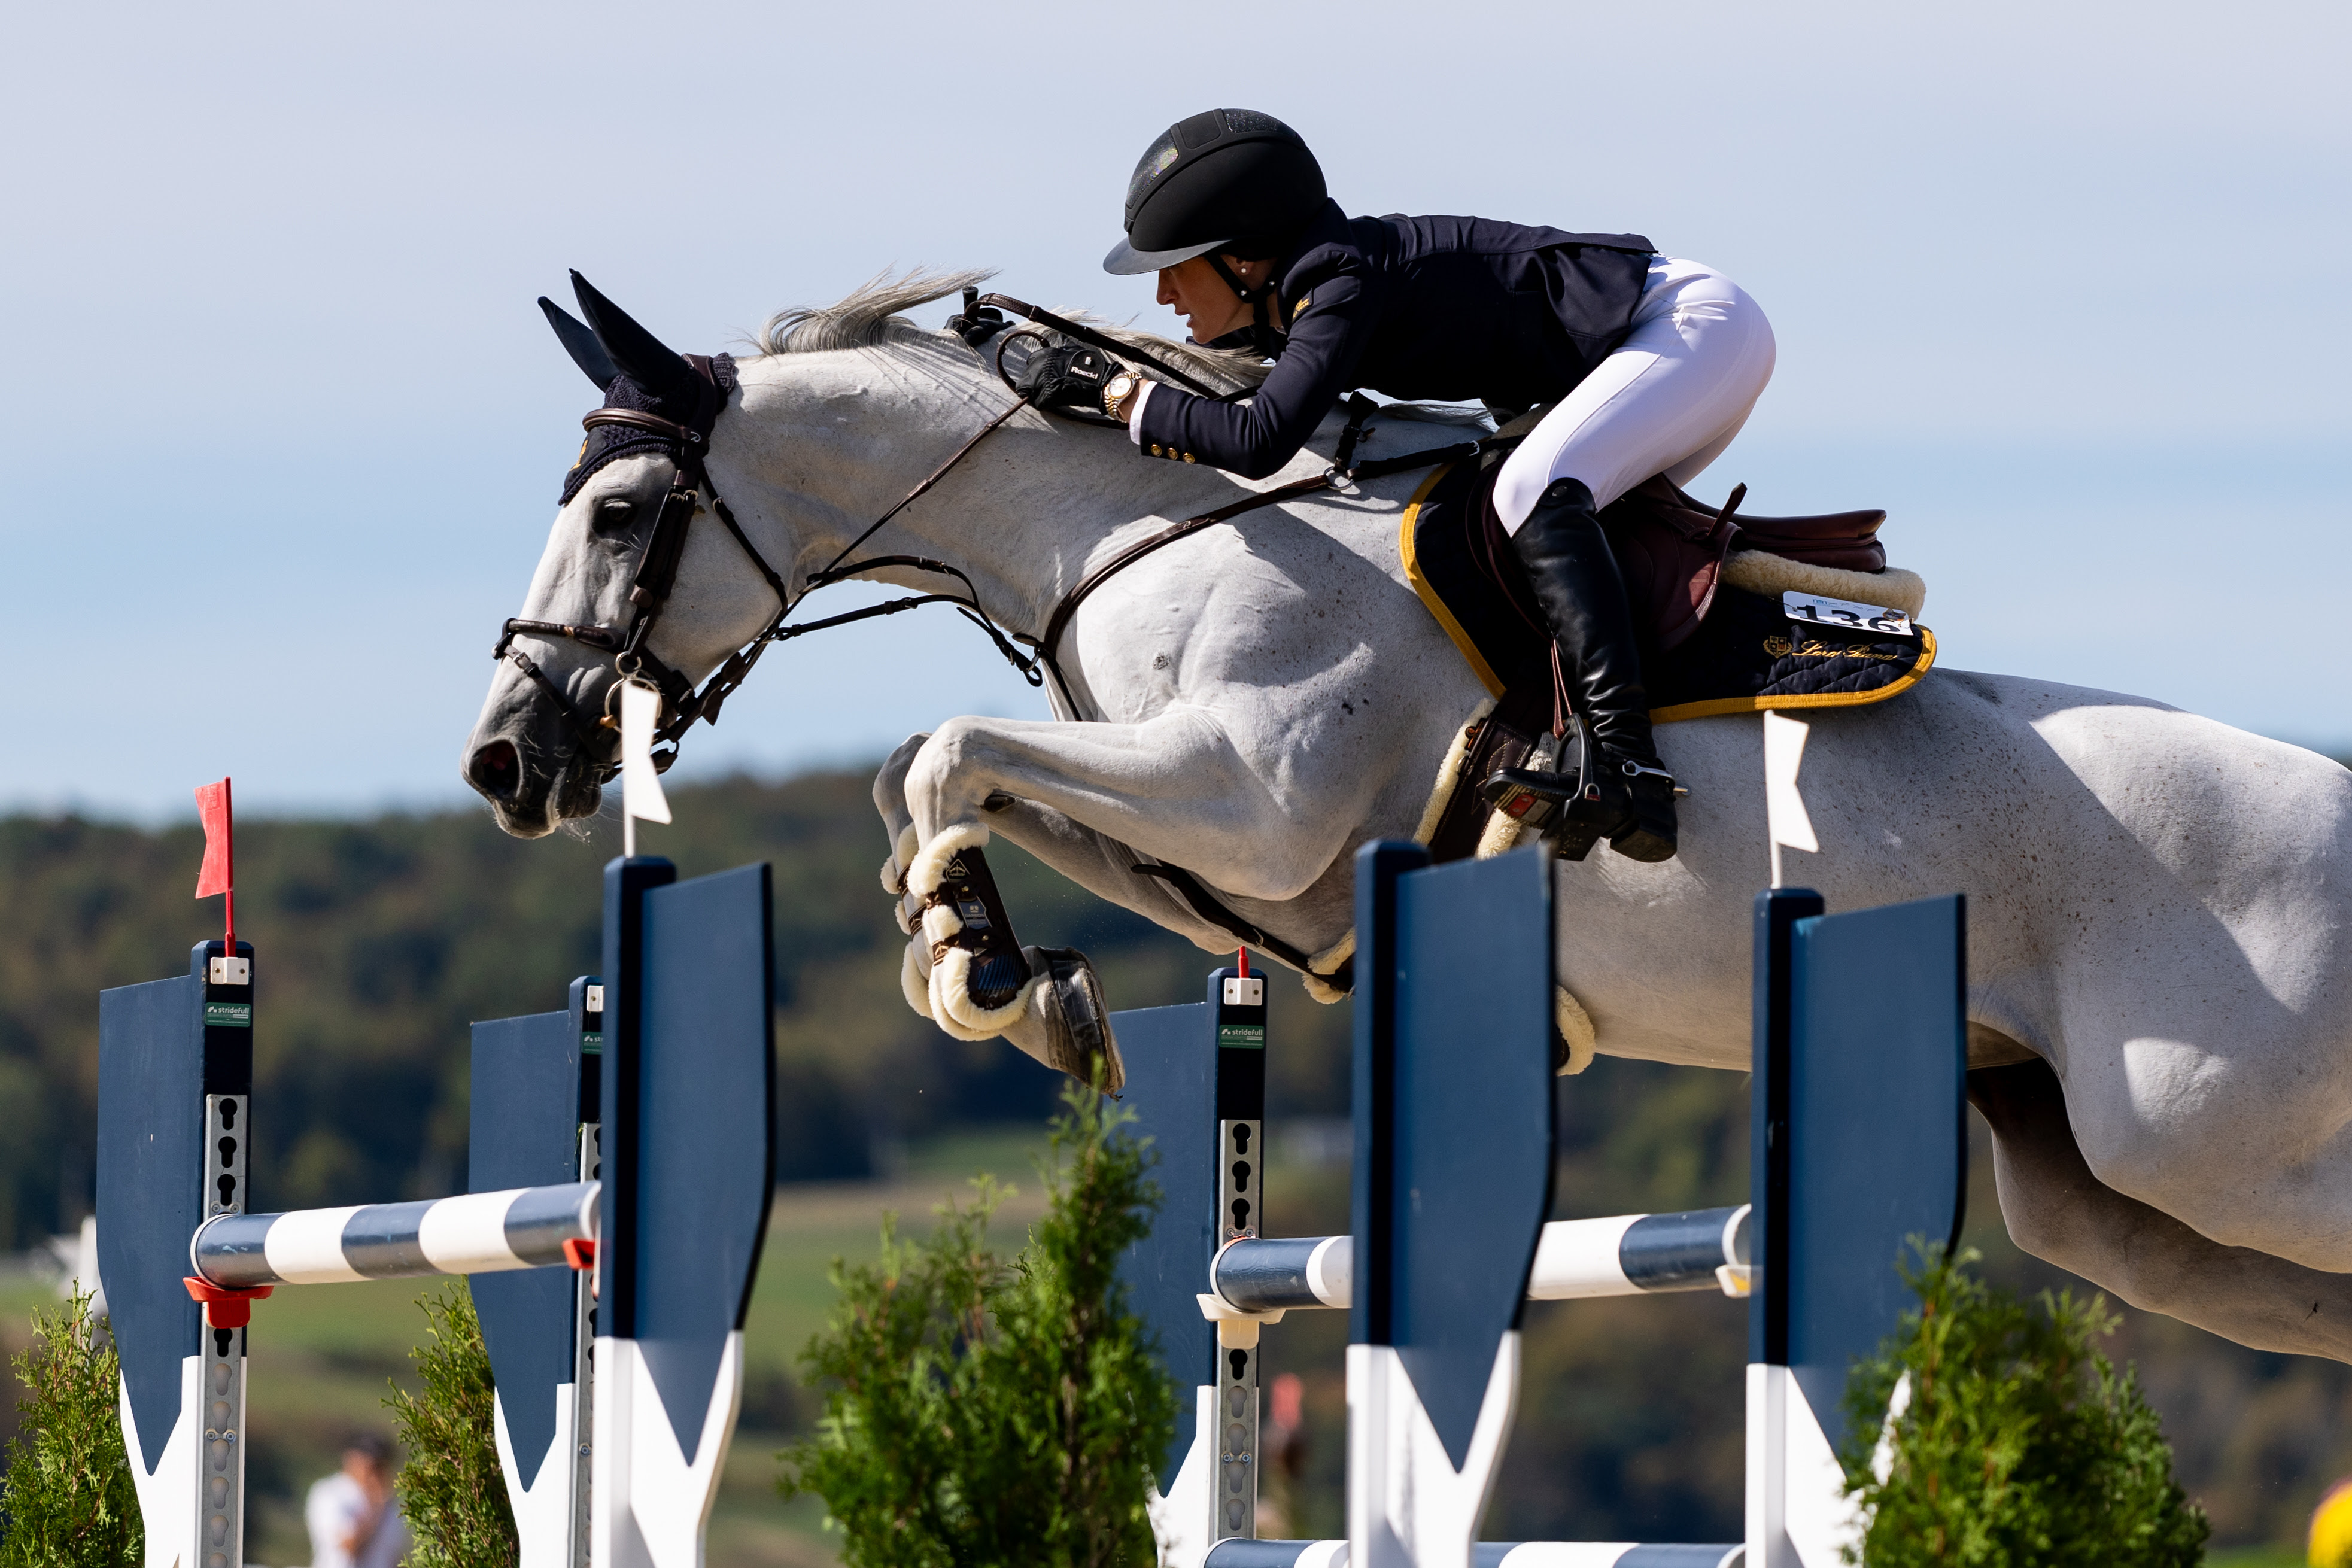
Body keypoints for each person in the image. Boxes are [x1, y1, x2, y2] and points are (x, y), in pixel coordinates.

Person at [1014, 109, 1777, 864]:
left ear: (1244, 259)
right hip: (1670, 344)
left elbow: (1257, 440)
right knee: (1518, 521)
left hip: (1690, 328)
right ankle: (1589, 733)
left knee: (1529, 490)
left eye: (1174, 267)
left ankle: (1627, 764)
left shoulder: (1336, 279)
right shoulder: (1314, 284)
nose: (1164, 297)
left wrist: (1119, 396)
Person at [303, 1432, 408, 1568]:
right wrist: (376, 1509)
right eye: (372, 1464)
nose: (375, 1472)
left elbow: (392, 1557)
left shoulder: (390, 1505)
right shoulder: (329, 1493)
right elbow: (349, 1546)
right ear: (351, 1459)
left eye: (381, 1466)